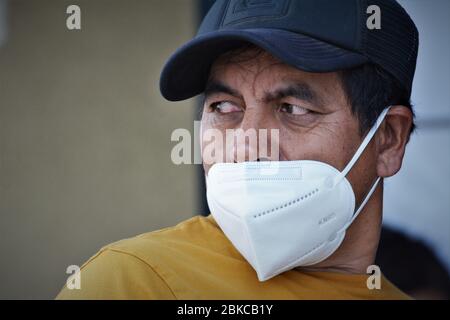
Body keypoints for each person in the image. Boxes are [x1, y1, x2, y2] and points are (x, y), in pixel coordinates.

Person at [57, 0, 419, 299]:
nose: (247, 145)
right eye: (224, 108)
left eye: (293, 108)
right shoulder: (134, 283)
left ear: (388, 139)